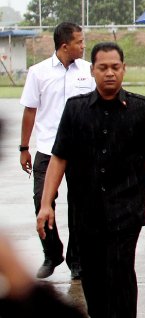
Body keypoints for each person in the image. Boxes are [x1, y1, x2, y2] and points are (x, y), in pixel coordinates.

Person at [36, 42, 145, 318]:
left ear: (124, 69)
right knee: (93, 279)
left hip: (127, 212)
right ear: (92, 71)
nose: (110, 73)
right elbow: (59, 158)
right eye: (103, 67)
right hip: (86, 213)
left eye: (115, 67)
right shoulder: (75, 110)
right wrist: (46, 204)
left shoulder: (141, 109)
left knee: (121, 275)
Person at [19, 22, 93, 280]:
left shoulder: (88, 70)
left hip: (81, 151)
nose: (84, 46)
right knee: (42, 200)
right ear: (65, 46)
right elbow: (30, 110)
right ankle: (52, 253)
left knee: (80, 207)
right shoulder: (38, 72)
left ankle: (77, 260)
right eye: (79, 42)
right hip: (48, 150)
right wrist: (24, 147)